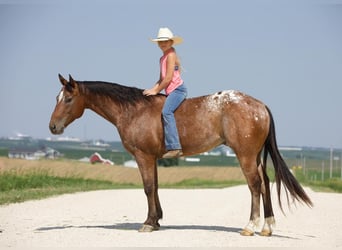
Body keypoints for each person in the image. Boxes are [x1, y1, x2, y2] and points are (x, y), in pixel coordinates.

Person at [143, 27, 187, 158]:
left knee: (166, 112)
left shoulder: (171, 55)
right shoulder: (162, 58)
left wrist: (156, 90)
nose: (163, 44)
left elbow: (168, 78)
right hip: (170, 90)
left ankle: (175, 147)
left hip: (178, 90)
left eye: (166, 41)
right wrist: (152, 89)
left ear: (171, 42)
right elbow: (161, 79)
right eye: (160, 42)